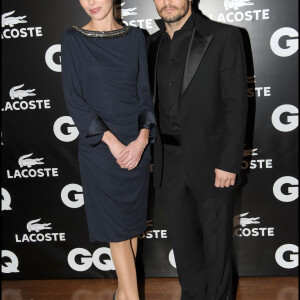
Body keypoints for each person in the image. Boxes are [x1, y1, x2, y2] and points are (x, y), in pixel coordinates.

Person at [148, 0, 248, 299]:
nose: (167, 2)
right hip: (168, 161)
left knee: (217, 245)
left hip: (213, 161)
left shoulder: (224, 36)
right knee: (183, 245)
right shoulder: (150, 44)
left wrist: (229, 161)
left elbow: (236, 104)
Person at [61, 1, 156, 300]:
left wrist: (141, 141)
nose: (91, 2)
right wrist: (113, 143)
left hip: (137, 146)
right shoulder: (73, 39)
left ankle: (122, 295)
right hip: (101, 149)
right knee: (117, 230)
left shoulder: (136, 38)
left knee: (131, 228)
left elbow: (145, 93)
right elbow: (75, 100)